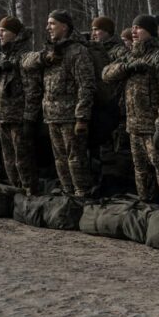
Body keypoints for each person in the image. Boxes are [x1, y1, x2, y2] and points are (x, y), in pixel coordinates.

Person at [102, 15, 159, 205]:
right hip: (134, 126)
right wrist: (127, 68)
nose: (134, 32)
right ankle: (148, 206)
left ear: (150, 31)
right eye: (133, 27)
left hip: (153, 126)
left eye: (139, 28)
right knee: (140, 170)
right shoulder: (131, 55)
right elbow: (106, 74)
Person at [23, 10, 96, 197]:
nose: (48, 28)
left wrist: (82, 117)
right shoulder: (50, 50)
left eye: (52, 23)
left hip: (71, 116)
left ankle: (82, 194)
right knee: (60, 159)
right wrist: (45, 58)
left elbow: (86, 85)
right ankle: (67, 192)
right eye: (48, 24)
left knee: (75, 159)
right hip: (52, 115)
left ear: (65, 26)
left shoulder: (77, 51)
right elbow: (26, 63)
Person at [0, 17, 41, 193]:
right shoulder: (1, 55)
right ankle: (16, 190)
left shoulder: (24, 56)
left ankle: (29, 191)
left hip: (19, 116)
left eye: (4, 30)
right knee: (8, 159)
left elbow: (33, 89)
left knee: (23, 159)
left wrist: (29, 117)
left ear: (15, 33)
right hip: (1, 114)